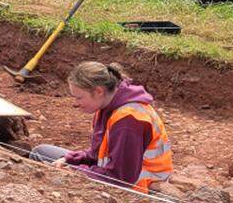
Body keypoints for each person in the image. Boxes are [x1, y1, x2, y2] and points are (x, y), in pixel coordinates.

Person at [30, 62, 172, 192]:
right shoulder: (107, 106)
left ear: (99, 91)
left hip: (139, 187)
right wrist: (70, 159)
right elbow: (97, 154)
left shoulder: (129, 120)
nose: (75, 103)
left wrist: (76, 173)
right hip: (111, 172)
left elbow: (120, 179)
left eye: (79, 97)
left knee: (53, 177)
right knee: (40, 152)